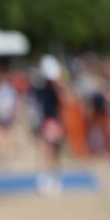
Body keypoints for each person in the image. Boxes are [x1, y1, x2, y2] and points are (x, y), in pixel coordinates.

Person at [35, 55, 65, 196]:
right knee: (46, 151)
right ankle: (45, 179)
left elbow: (64, 99)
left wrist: (57, 84)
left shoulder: (56, 88)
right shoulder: (42, 87)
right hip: (47, 122)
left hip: (53, 122)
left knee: (54, 152)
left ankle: (54, 180)